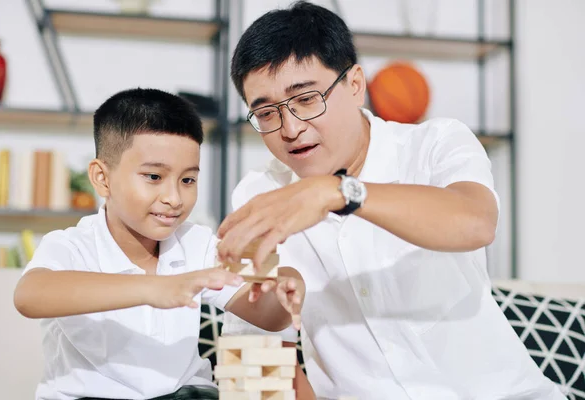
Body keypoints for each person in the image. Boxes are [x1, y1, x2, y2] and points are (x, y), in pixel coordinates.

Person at [216, 2, 567, 400]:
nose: (291, 129)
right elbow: (253, 354)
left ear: (355, 84)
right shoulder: (257, 195)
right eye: (266, 113)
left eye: (307, 99)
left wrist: (336, 192)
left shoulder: (434, 144)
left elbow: (475, 222)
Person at [13, 88, 307, 400]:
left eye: (188, 180)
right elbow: (30, 295)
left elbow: (268, 316)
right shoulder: (72, 245)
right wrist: (156, 288)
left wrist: (288, 284)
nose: (174, 198)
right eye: (154, 177)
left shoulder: (198, 243)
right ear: (102, 178)